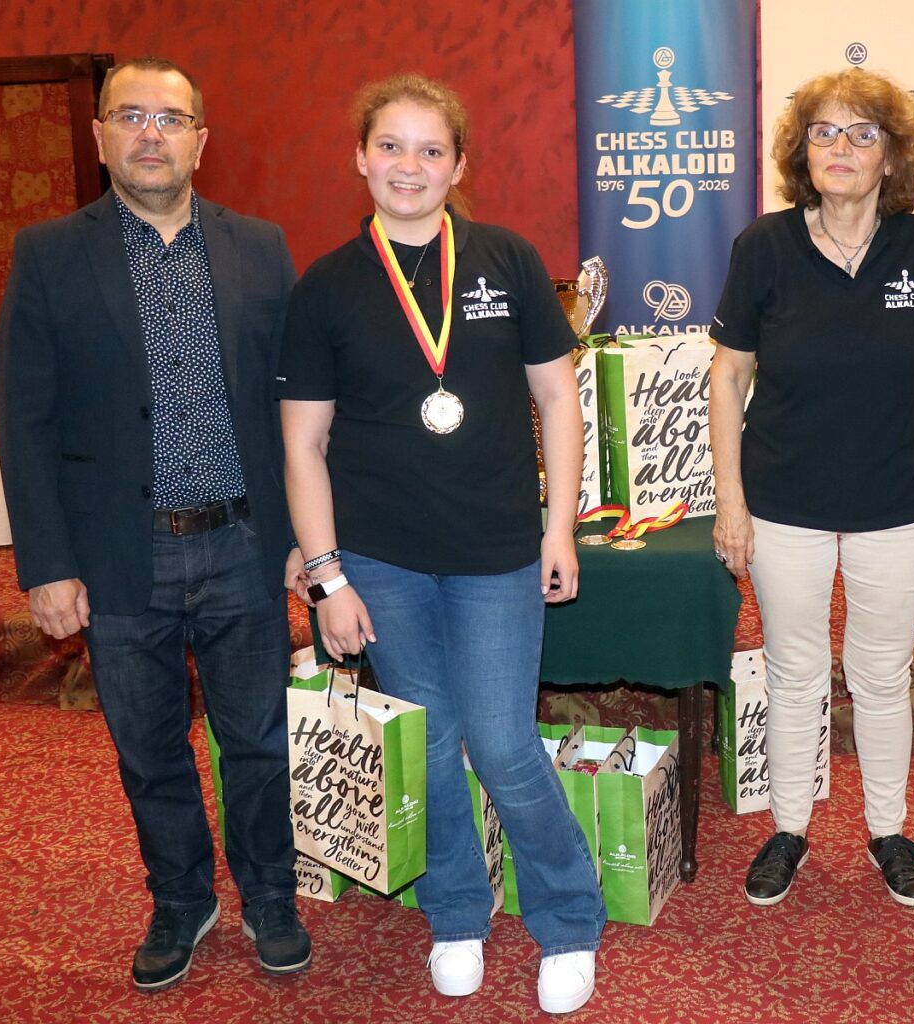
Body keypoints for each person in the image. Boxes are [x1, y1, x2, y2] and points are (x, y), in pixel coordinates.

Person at [278, 74, 603, 1014]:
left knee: (503, 744)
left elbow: (557, 398)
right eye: (390, 146)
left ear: (459, 165)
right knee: (424, 746)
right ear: (360, 157)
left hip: (496, 552)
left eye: (431, 150)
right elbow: (302, 444)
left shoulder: (506, 259)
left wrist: (559, 526)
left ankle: (567, 919)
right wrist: (327, 577)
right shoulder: (327, 285)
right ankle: (456, 912)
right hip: (379, 561)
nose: (409, 166)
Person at [0, 57, 310, 991]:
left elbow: (294, 407)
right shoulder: (48, 254)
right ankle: (180, 898)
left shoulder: (262, 247)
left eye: (170, 119)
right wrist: (45, 564)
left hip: (243, 544)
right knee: (149, 751)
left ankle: (270, 895)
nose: (149, 134)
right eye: (128, 115)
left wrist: (305, 535)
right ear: (99, 135)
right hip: (117, 556)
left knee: (259, 742)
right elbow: (26, 422)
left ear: (200, 141)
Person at [709, 67, 914, 910]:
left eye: (861, 133)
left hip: (894, 500)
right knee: (794, 672)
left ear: (891, 155)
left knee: (881, 676)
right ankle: (788, 827)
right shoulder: (763, 246)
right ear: (801, 151)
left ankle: (888, 830)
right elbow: (727, 375)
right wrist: (730, 501)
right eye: (823, 132)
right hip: (783, 500)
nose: (840, 147)